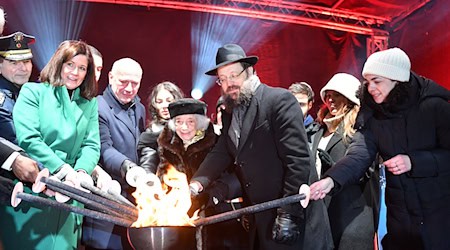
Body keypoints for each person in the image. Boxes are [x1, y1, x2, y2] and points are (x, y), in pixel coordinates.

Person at [190, 44, 333, 249]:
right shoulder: (230, 111)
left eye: (234, 75)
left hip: (291, 217)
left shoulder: (278, 100)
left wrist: (289, 213)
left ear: (250, 71)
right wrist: (197, 183)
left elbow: (298, 160)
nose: (229, 83)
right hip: (259, 217)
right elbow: (222, 151)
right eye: (222, 79)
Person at [310, 47, 450, 250]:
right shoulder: (373, 115)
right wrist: (332, 180)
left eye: (377, 81)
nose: (370, 88)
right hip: (400, 222)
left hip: (440, 218)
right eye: (367, 82)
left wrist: (414, 161)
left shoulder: (435, 107)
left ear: (397, 80)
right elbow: (359, 155)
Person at [0, 40, 100, 250]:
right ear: (58, 64)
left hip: (71, 195)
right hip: (35, 193)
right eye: (70, 65)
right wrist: (62, 169)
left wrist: (82, 172)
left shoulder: (89, 102)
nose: (75, 72)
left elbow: (91, 144)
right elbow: (29, 138)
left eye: (82, 68)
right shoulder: (33, 92)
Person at [82, 57, 145, 250]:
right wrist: (129, 167)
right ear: (110, 77)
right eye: (123, 81)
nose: (129, 88)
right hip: (106, 194)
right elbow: (104, 148)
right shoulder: (97, 106)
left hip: (133, 197)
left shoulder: (140, 108)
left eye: (134, 83)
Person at [311, 73, 373, 249]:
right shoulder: (317, 130)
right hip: (323, 216)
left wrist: (331, 167)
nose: (330, 100)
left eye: (336, 95)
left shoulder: (360, 130)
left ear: (349, 98)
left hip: (351, 218)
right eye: (328, 96)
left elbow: (364, 170)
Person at [138, 81, 184, 173]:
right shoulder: (152, 132)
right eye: (159, 102)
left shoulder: (189, 127)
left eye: (169, 101)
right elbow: (148, 161)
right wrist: (148, 177)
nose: (164, 106)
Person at [0, 31, 35, 144]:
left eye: (26, 61)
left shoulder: (34, 92)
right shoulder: (2, 100)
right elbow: (15, 141)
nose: (23, 68)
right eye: (14, 63)